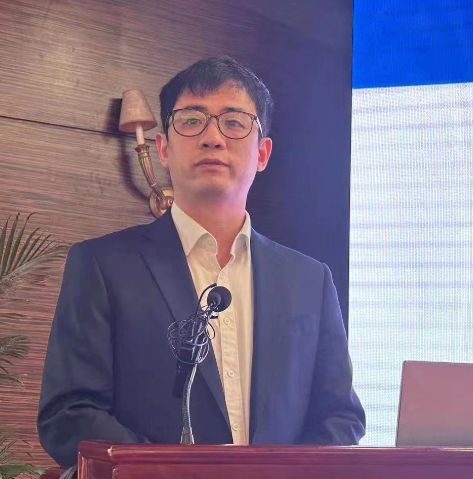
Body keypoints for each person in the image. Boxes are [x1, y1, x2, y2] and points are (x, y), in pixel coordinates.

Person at [38, 55, 365, 471]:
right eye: (192, 121)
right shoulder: (103, 266)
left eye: (234, 122)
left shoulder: (309, 280)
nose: (213, 138)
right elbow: (69, 414)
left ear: (262, 153)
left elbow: (340, 416)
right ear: (163, 149)